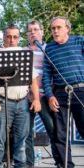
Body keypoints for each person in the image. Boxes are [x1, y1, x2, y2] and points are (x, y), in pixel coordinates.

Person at [0, 24, 41, 168]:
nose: (11, 40)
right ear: (4, 37)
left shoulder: (24, 54)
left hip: (22, 102)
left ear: (19, 38)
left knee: (21, 141)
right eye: (8, 36)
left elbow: (33, 80)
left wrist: (36, 99)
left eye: (15, 37)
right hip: (2, 101)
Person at [42, 16, 84, 168]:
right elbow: (46, 76)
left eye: (58, 27)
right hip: (60, 93)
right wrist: (50, 95)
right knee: (60, 134)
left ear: (67, 28)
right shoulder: (49, 48)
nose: (55, 30)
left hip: (81, 90)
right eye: (53, 28)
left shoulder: (80, 41)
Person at [25, 20, 60, 168]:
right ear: (27, 35)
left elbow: (53, 73)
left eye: (36, 29)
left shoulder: (49, 49)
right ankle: (28, 164)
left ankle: (60, 162)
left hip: (45, 96)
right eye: (30, 31)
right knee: (26, 134)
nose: (33, 32)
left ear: (42, 31)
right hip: (27, 97)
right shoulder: (22, 51)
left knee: (53, 130)